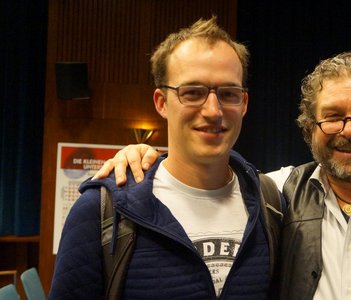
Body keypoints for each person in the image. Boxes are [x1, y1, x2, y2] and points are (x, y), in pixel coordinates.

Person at [95, 52, 351, 299]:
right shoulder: (275, 192)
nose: (349, 130)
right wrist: (150, 155)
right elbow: (207, 172)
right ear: (310, 128)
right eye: (332, 118)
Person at [50, 17, 282, 299]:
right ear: (161, 102)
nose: (213, 110)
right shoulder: (101, 211)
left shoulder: (271, 204)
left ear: (243, 103)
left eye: (228, 93)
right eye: (193, 93)